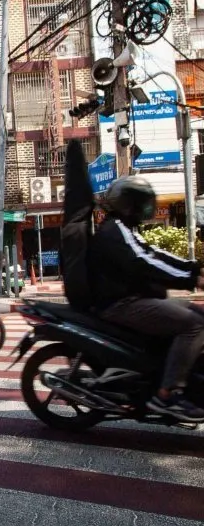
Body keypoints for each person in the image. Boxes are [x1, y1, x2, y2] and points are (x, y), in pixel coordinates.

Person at [89, 176, 204, 420]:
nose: (147, 208)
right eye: (143, 203)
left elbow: (154, 254)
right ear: (128, 204)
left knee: (198, 313)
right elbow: (144, 262)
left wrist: (194, 269)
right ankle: (167, 393)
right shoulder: (114, 230)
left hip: (135, 298)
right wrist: (192, 279)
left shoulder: (124, 227)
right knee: (194, 325)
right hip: (121, 303)